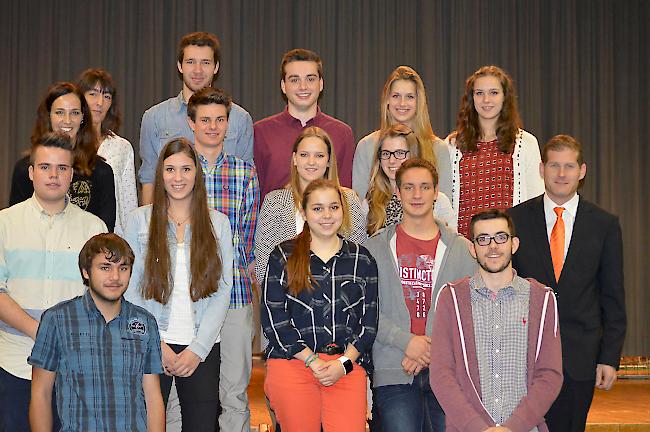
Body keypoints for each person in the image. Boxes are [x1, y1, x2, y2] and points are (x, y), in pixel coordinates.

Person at [508, 135, 626, 432]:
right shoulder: (515, 220)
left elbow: (613, 298)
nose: (561, 174)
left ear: (582, 171)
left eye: (569, 166)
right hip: (525, 357)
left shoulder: (604, 224)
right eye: (554, 165)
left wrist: (609, 358)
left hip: (580, 360)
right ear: (541, 169)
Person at [124, 138, 234, 432]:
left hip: (201, 347)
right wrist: (154, 344)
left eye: (186, 169)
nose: (178, 177)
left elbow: (223, 289)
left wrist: (198, 349)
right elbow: (131, 289)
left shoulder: (218, 223)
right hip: (151, 345)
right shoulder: (138, 222)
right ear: (160, 173)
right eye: (170, 169)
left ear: (197, 174)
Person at [0, 132, 107, 431]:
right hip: (13, 362)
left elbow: (103, 297)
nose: (53, 175)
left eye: (62, 168)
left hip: (73, 367)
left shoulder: (93, 229)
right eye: (45, 167)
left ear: (71, 174)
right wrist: (43, 333)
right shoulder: (4, 224)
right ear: (31, 172)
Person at [364, 158, 476, 432]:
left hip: (448, 372)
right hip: (394, 368)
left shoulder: (462, 249)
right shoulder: (375, 248)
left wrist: (428, 348)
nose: (417, 194)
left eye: (425, 187)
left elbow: (471, 312)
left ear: (436, 192)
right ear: (397, 192)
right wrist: (407, 342)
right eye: (409, 187)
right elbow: (366, 310)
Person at [429, 209, 563, 431]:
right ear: (472, 249)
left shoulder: (542, 299)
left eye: (501, 237)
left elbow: (549, 375)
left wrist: (513, 427)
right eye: (483, 239)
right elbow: (442, 375)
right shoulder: (451, 298)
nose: (493, 246)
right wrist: (478, 428)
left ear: (514, 244)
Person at [262, 179, 378, 432]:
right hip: (294, 363)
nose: (327, 215)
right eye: (317, 208)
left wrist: (343, 364)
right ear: (303, 212)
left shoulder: (362, 258)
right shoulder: (283, 255)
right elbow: (274, 320)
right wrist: (312, 361)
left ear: (343, 211)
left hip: (346, 366)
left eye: (334, 207)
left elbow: (368, 325)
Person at [28, 233, 165, 432]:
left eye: (123, 268)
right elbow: (41, 393)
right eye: (105, 267)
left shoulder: (145, 322)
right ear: (86, 271)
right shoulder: (57, 319)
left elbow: (153, 397)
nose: (115, 277)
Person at [186, 87, 259, 431]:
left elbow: (247, 238)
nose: (213, 126)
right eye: (205, 120)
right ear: (191, 123)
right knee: (180, 394)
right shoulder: (178, 170)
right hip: (185, 298)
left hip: (235, 297)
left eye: (220, 119)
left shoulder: (245, 173)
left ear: (229, 124)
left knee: (234, 393)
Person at [139, 31, 254, 205]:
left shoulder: (239, 119)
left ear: (216, 67)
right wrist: (148, 230)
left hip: (223, 226)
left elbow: (246, 183)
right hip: (169, 227)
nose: (198, 70)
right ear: (180, 66)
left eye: (205, 62)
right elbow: (149, 180)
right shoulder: (154, 118)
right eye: (191, 62)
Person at [255, 126, 367, 285]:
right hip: (289, 298)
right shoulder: (274, 202)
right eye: (304, 155)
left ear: (328, 160)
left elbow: (359, 260)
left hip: (340, 298)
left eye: (319, 155)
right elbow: (262, 267)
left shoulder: (348, 200)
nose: (311, 162)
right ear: (294, 158)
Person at [446, 65, 544, 238]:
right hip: (464, 246)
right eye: (479, 93)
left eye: (493, 92)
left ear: (505, 97)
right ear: (471, 98)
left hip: (508, 246)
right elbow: (444, 204)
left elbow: (536, 204)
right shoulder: (452, 145)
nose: (486, 100)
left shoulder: (526, 144)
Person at [10, 81, 116, 231]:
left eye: (74, 113)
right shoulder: (24, 169)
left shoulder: (102, 172)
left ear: (83, 118)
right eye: (60, 112)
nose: (67, 120)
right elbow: (16, 225)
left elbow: (104, 236)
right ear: (49, 116)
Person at [254, 48, 355, 198]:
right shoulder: (261, 132)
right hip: (276, 220)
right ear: (283, 86)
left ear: (321, 84)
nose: (303, 86)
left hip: (327, 221)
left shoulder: (342, 133)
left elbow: (345, 195)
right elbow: (255, 192)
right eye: (295, 79)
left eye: (310, 79)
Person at [353, 65, 452, 201]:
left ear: (419, 102)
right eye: (396, 96)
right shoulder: (366, 147)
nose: (402, 103)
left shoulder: (438, 149)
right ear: (387, 100)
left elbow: (445, 209)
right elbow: (359, 207)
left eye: (410, 97)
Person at [365, 124, 456, 235]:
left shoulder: (438, 200)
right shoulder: (370, 202)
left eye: (400, 153)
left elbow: (453, 242)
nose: (392, 160)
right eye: (386, 153)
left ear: (413, 155)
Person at [77, 68, 138, 235]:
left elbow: (129, 204)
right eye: (93, 94)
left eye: (106, 96)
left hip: (112, 239)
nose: (99, 102)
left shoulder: (122, 147)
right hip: (72, 236)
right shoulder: (68, 146)